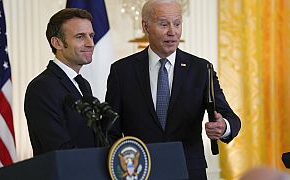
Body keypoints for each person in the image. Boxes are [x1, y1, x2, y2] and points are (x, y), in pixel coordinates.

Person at [105, 0, 241, 179]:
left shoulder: (201, 69)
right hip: (138, 171)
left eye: (177, 24)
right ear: (145, 27)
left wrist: (224, 127)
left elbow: (231, 118)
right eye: (164, 24)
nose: (172, 32)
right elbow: (110, 131)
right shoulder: (122, 71)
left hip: (188, 170)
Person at [24, 8, 97, 156]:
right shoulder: (41, 88)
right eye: (80, 37)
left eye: (91, 36)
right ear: (57, 43)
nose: (90, 43)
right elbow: (59, 148)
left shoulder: (83, 84)